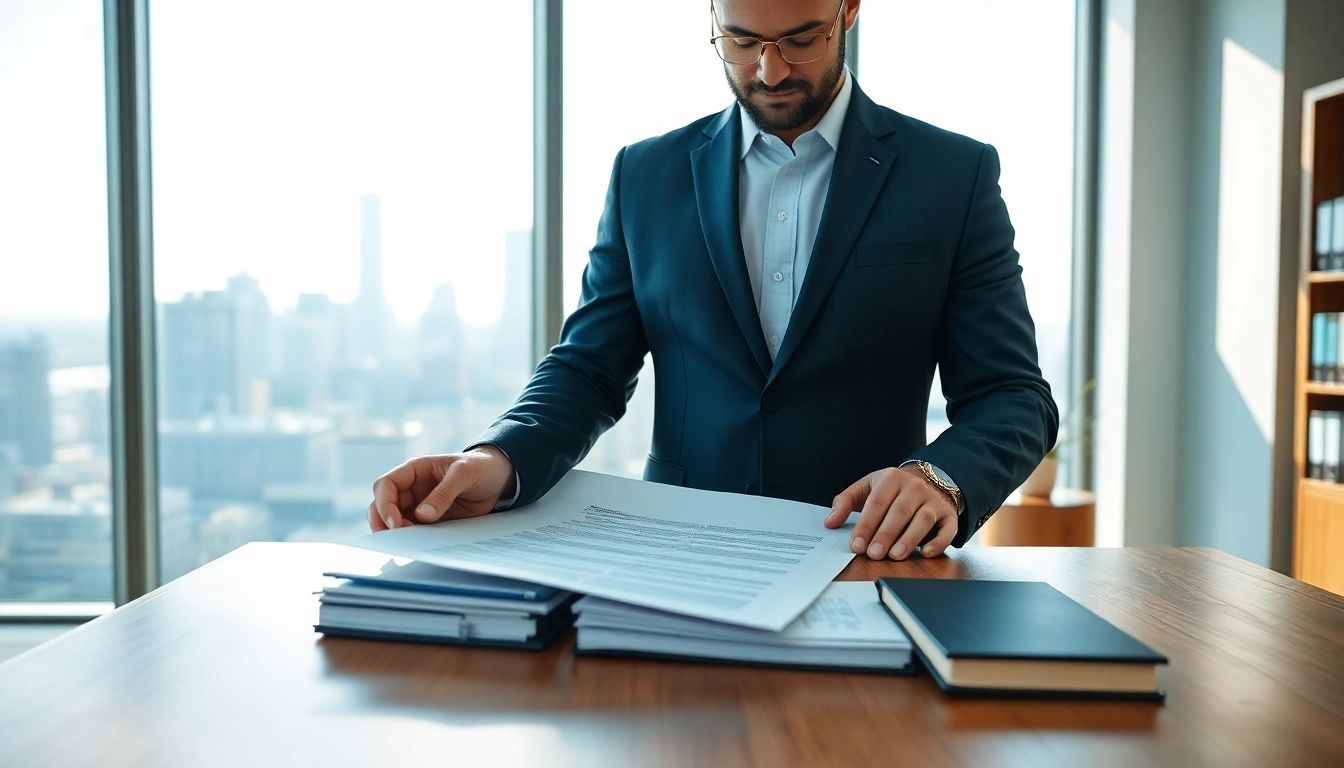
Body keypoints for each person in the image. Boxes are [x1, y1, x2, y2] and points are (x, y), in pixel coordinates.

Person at [369, 0, 1058, 562]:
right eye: (740, 40)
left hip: (867, 561)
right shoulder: (644, 175)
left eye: (800, 39)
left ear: (849, 10)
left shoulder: (952, 176)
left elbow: (1012, 394)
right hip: (676, 567)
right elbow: (589, 368)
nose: (770, 69)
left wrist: (939, 478)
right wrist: (499, 455)